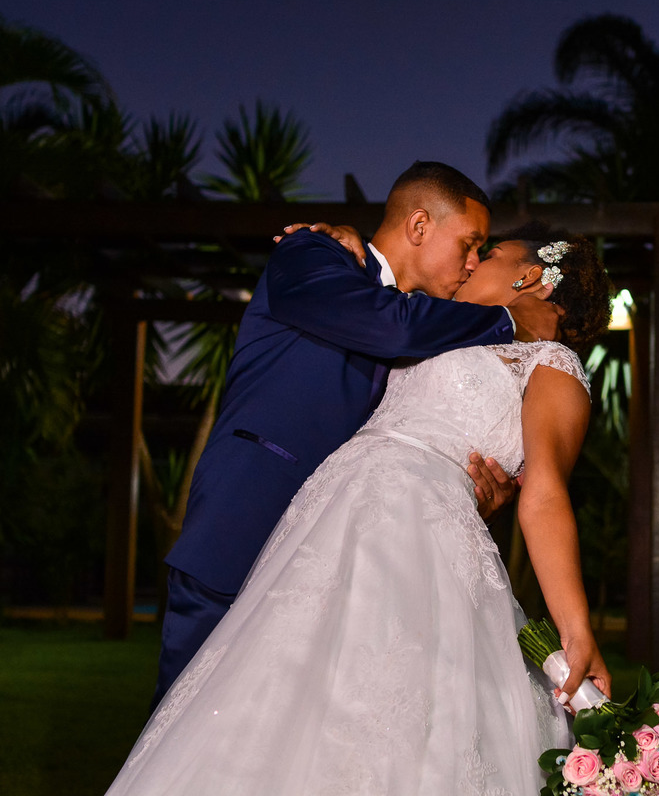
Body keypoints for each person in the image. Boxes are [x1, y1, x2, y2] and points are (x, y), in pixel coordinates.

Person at [107, 226, 613, 795]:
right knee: (277, 702)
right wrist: (345, 234)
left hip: (414, 537)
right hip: (322, 520)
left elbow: (544, 491)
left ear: (528, 277)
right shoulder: (441, 326)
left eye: (487, 254)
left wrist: (575, 630)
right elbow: (381, 316)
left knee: (386, 705)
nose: (471, 263)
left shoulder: (552, 365)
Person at [153, 161, 563, 708]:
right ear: (419, 226)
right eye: (469, 244)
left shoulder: (438, 328)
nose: (471, 264)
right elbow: (388, 324)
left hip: (333, 564)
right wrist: (512, 321)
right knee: (185, 728)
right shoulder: (313, 255)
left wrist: (468, 485)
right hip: (245, 523)